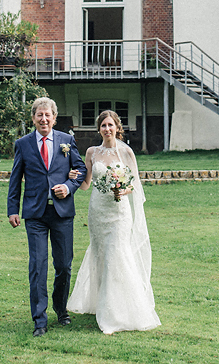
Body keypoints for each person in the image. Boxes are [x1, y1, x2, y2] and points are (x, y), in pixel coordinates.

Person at [68, 110, 160, 334]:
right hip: (97, 211)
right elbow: (87, 184)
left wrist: (122, 189)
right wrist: (74, 177)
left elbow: (135, 185)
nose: (107, 129)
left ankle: (119, 312)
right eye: (103, 126)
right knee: (100, 255)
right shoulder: (92, 152)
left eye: (110, 125)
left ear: (117, 127)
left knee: (116, 255)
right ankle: (101, 304)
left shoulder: (126, 152)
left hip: (119, 213)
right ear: (98, 129)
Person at [7, 97, 87, 337]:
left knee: (63, 265)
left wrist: (69, 187)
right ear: (33, 118)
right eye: (39, 115)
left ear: (54, 118)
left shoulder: (66, 140)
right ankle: (39, 320)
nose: (44, 119)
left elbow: (81, 169)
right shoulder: (23, 144)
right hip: (35, 213)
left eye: (48, 115)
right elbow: (15, 178)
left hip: (62, 213)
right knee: (38, 266)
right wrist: (13, 209)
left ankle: (61, 309)